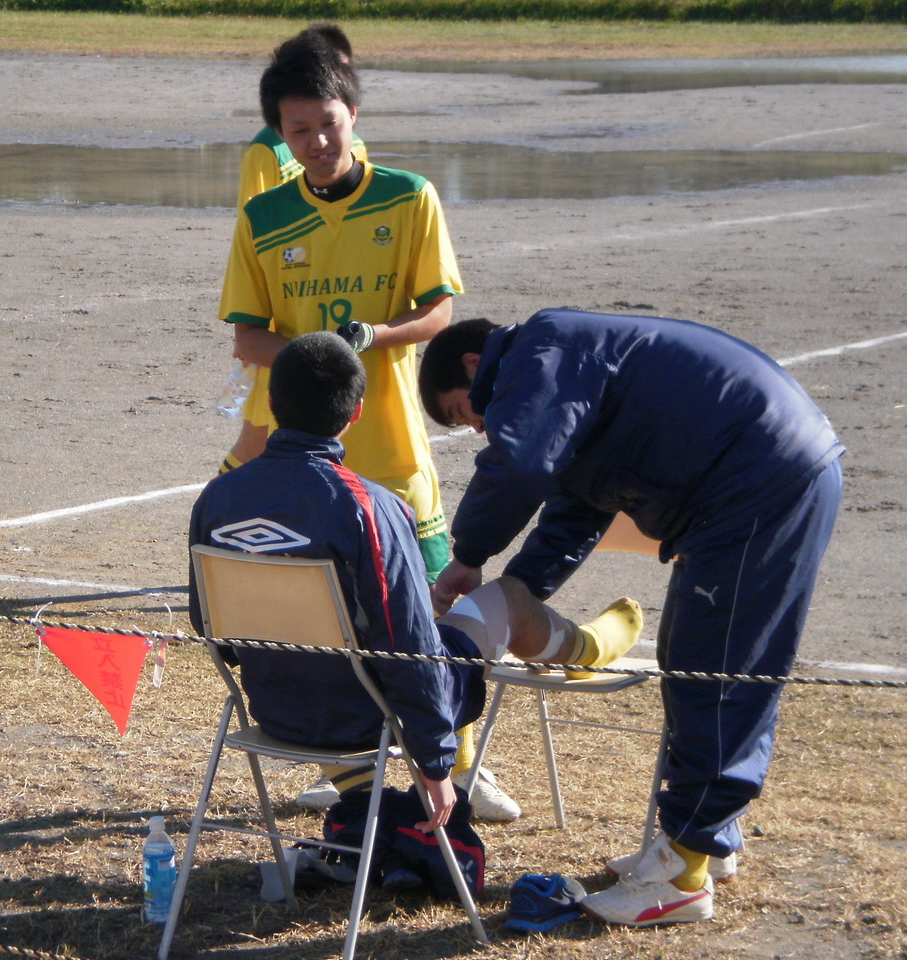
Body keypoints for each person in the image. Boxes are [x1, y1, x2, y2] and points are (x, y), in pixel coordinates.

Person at [419, 310, 844, 926]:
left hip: (760, 479)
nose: (479, 426)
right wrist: (521, 590)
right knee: (694, 658)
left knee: (715, 671)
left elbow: (519, 463)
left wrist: (469, 555)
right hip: (753, 479)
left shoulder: (542, 350)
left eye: (464, 413)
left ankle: (684, 876)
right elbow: (576, 507)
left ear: (473, 367)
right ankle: (703, 839)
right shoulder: (563, 372)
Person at [214, 32, 515, 820]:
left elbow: (438, 312)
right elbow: (248, 338)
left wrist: (375, 339)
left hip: (393, 452)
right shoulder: (265, 217)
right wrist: (315, 358)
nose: (315, 142)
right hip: (309, 460)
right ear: (279, 134)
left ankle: (458, 769)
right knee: (316, 618)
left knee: (438, 614)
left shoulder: (409, 197)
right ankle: (353, 780)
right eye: (298, 130)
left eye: (327, 123)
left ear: (353, 113)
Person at [189, 332, 644, 836]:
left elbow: (209, 625)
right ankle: (587, 647)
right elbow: (409, 649)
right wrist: (434, 764)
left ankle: (359, 788)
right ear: (355, 413)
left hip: (275, 711)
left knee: (357, 643)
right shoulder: (371, 506)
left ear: (271, 401)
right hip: (368, 716)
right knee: (508, 597)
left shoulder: (216, 499)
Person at [221, 22, 368, 477]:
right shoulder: (267, 152)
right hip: (287, 316)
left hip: (339, 313)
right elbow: (257, 229)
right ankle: (219, 518)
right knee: (258, 441)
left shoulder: (353, 145)